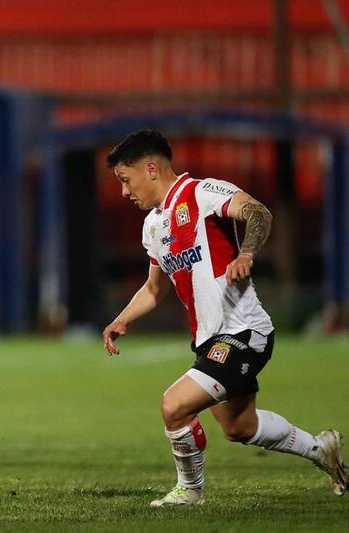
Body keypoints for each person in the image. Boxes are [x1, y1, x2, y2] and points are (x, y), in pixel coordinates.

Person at [101, 129, 347, 506]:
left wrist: (247, 253)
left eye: (124, 179)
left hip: (244, 332)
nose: (123, 192)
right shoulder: (153, 225)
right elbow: (154, 289)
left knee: (174, 405)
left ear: (151, 169)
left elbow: (256, 211)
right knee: (239, 427)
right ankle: (321, 449)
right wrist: (122, 319)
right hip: (210, 339)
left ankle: (190, 490)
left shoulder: (200, 194)